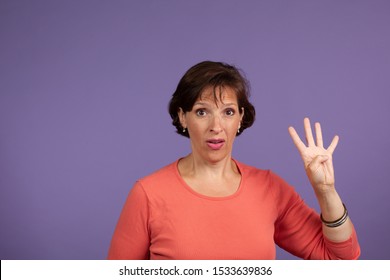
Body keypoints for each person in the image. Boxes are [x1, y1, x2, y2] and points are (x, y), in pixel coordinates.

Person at [107, 61, 360, 260]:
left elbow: (340, 260)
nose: (216, 126)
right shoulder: (148, 194)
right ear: (183, 117)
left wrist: (326, 192)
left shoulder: (269, 188)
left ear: (240, 118)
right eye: (202, 111)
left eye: (227, 112)